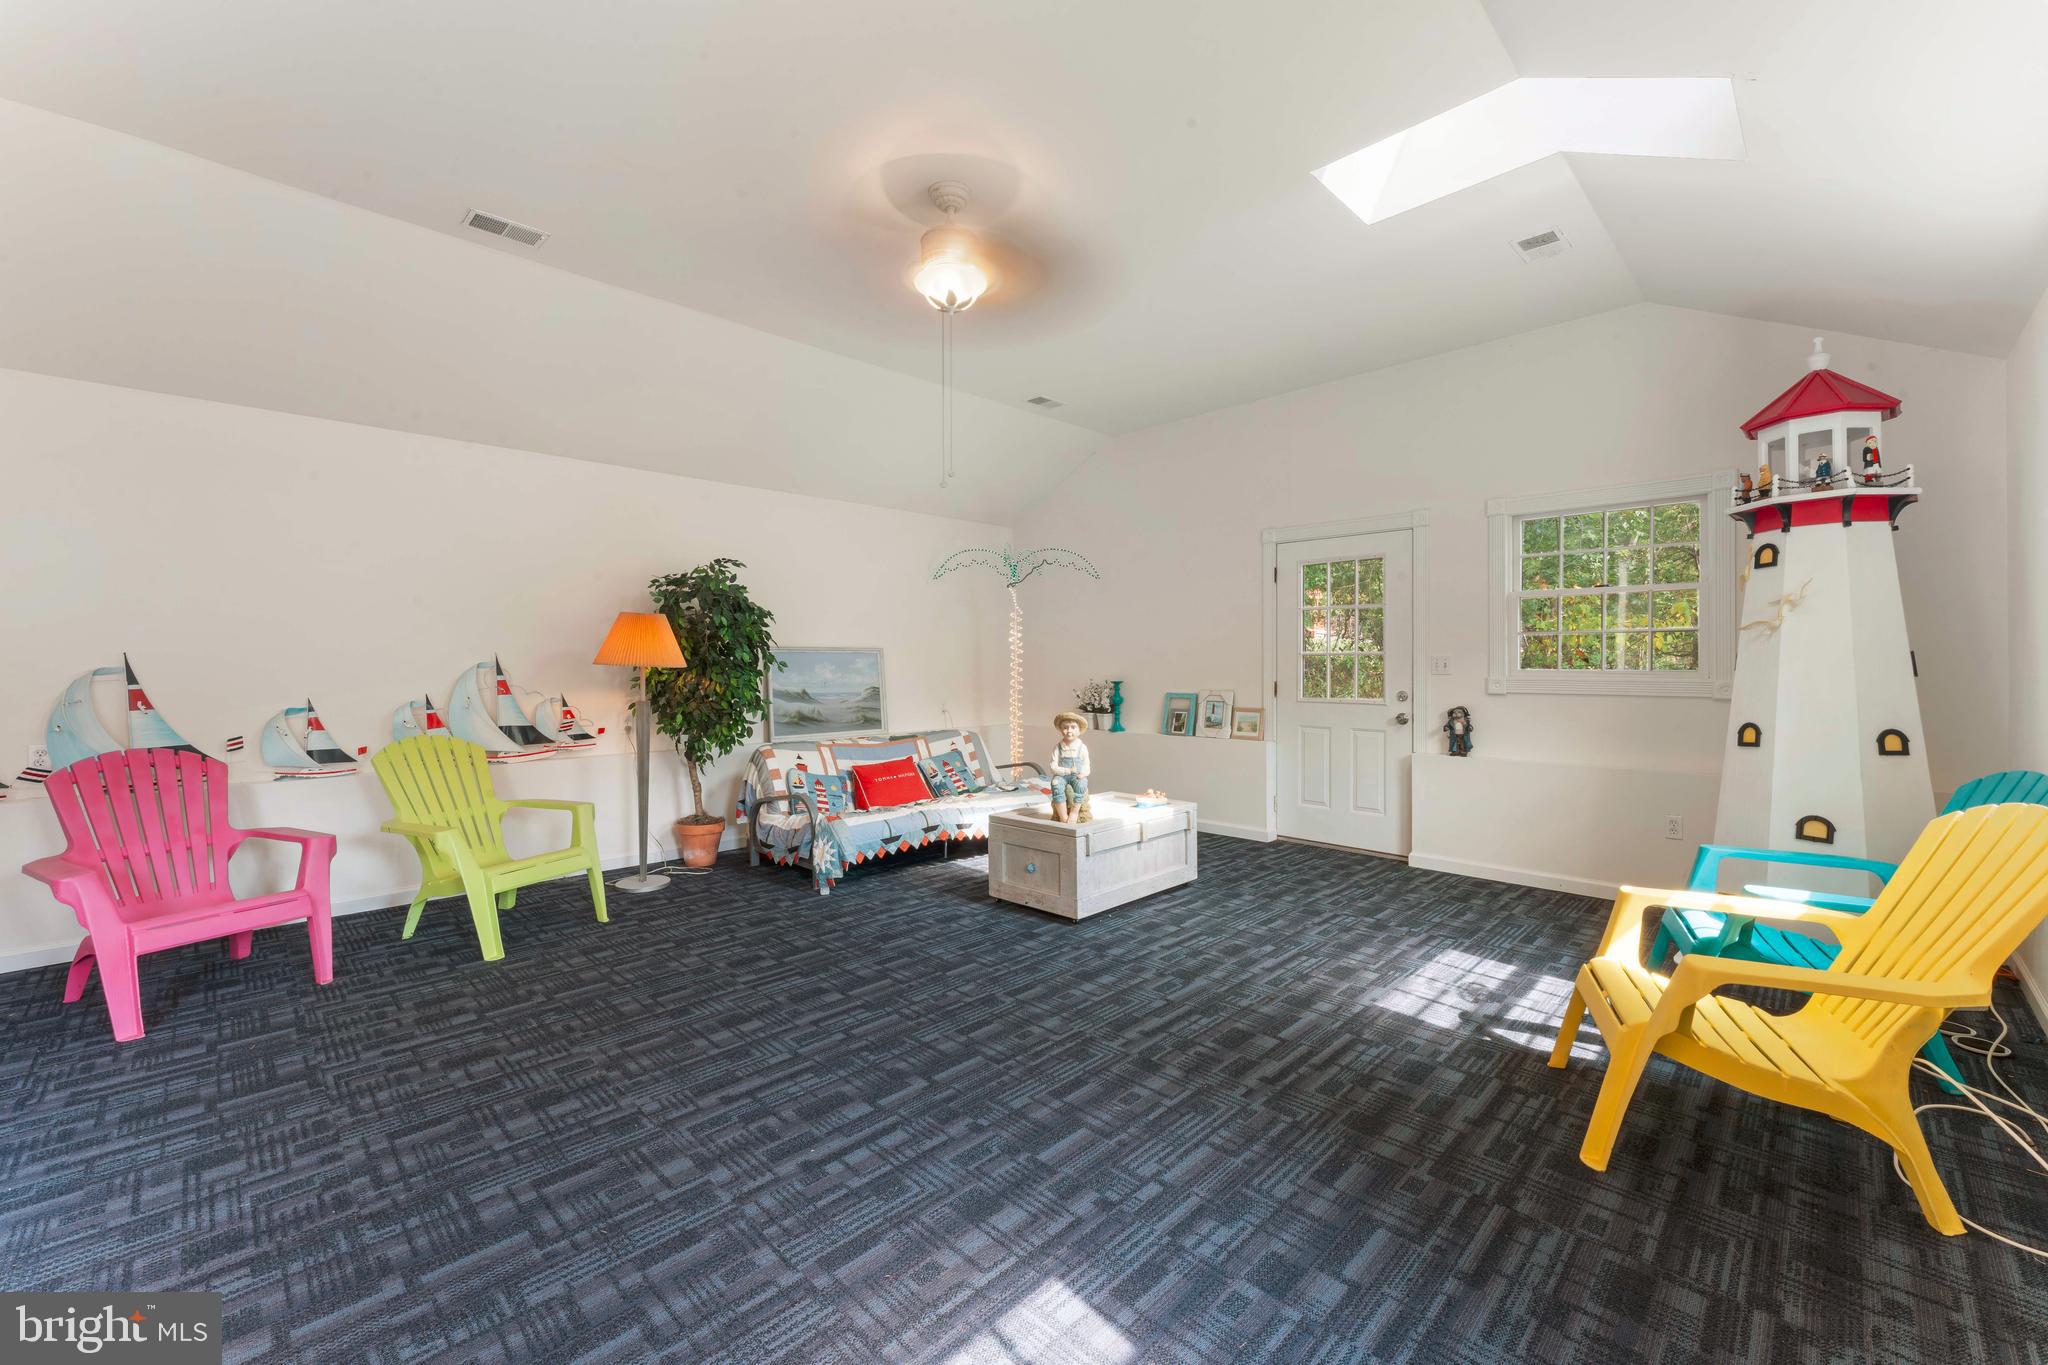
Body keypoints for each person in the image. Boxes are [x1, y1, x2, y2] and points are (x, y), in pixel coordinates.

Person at [1049, 710, 1092, 823]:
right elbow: (1053, 766)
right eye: (1065, 727)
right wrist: (1066, 770)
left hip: (1076, 775)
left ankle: (1074, 812)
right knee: (1056, 784)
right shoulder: (1058, 747)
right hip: (1062, 775)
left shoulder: (1081, 747)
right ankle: (1063, 816)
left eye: (1073, 727)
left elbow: (1086, 764)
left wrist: (1083, 773)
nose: (1069, 731)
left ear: (1079, 730)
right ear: (1061, 730)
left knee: (1081, 785)